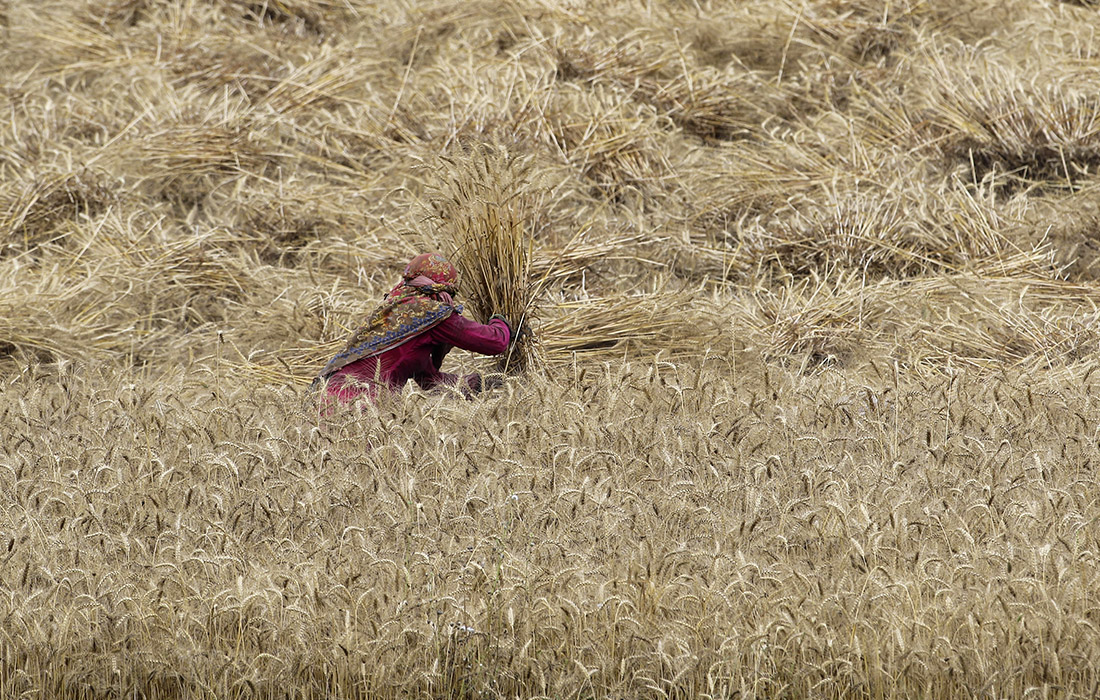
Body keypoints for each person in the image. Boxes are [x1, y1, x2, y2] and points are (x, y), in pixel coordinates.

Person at [313, 252, 511, 405]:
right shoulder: (432, 313)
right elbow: (495, 342)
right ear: (444, 289)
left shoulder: (395, 310)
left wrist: (480, 382)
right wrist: (503, 320)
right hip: (354, 407)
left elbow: (430, 382)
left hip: (323, 399)